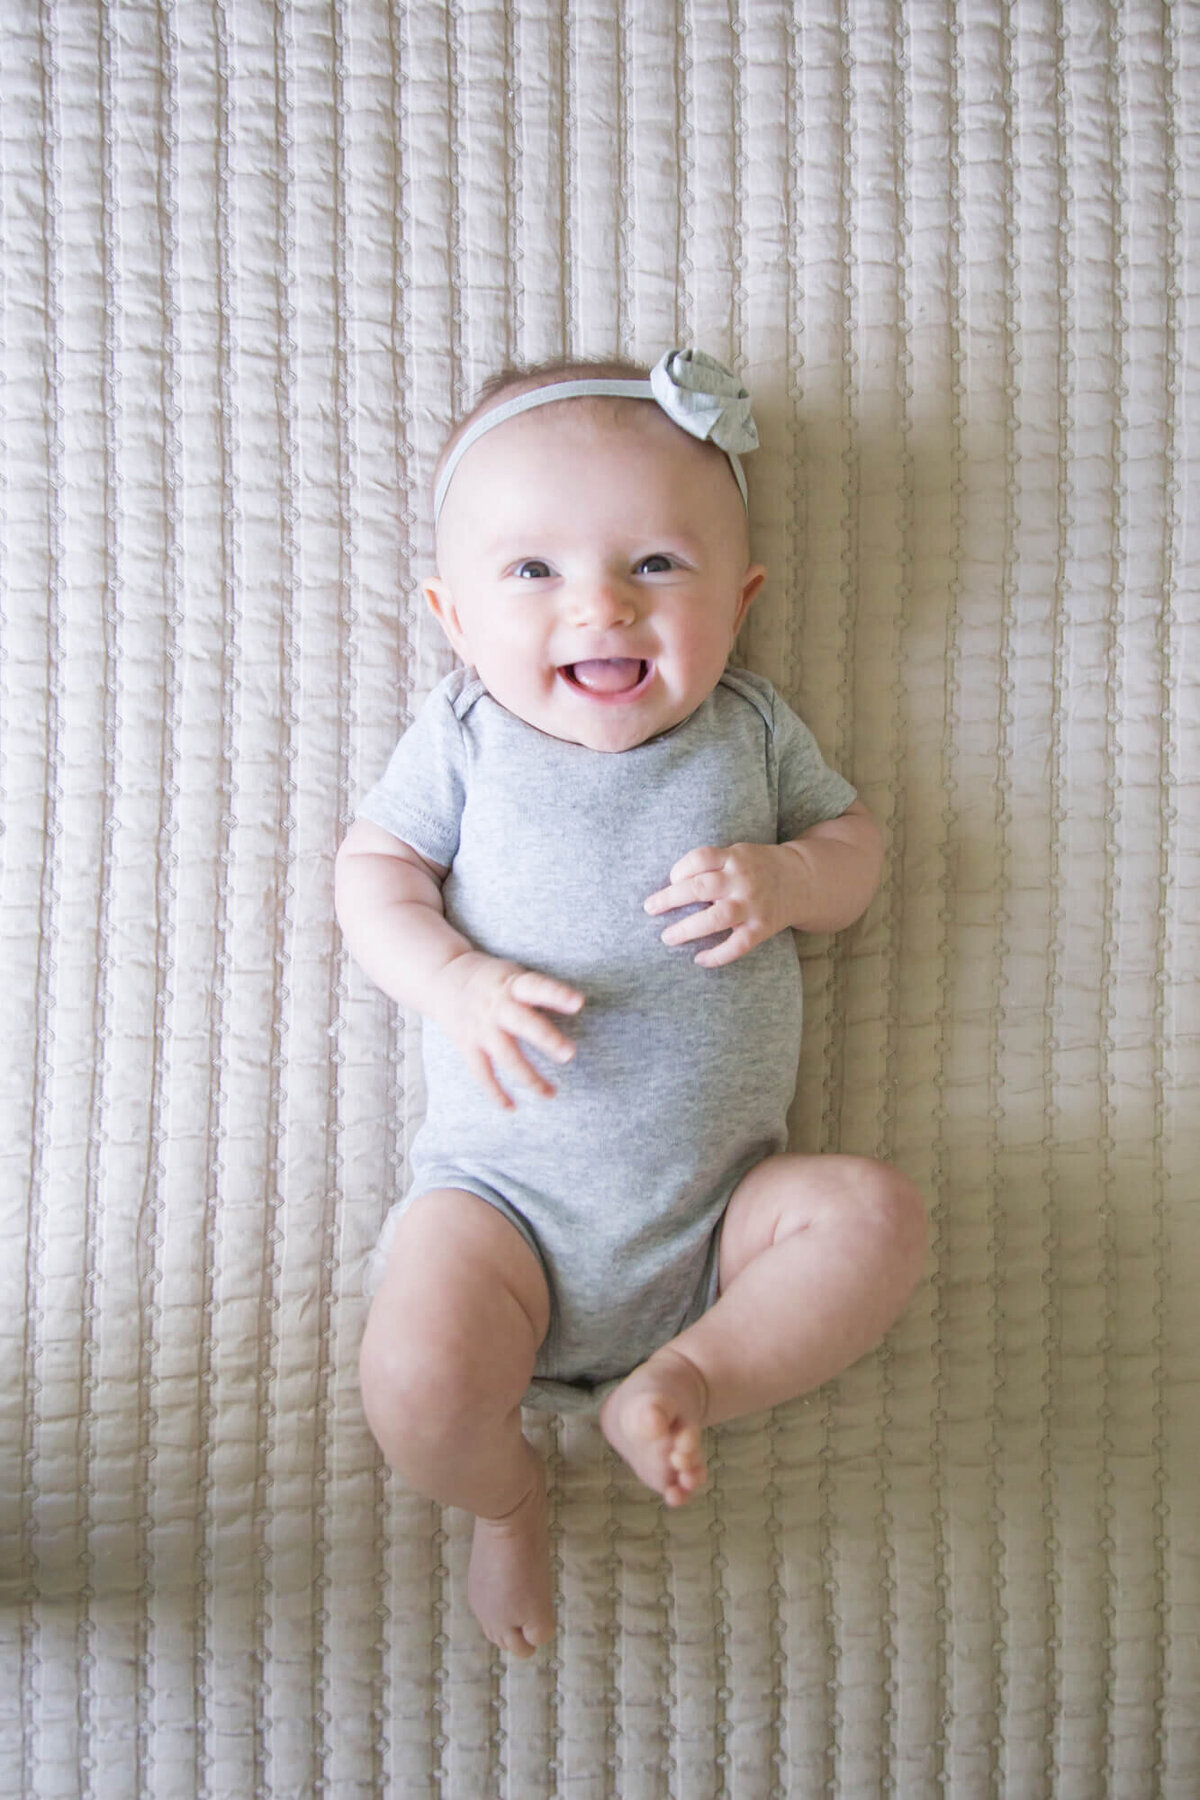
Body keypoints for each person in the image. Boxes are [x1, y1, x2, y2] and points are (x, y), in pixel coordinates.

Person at [335, 349, 927, 1658]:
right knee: (416, 1384)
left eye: (656, 566)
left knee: (874, 1216)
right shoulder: (465, 739)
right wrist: (453, 976)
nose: (599, 605)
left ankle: (687, 1377)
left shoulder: (755, 735)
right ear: (451, 613)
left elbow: (857, 855)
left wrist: (787, 879)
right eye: (532, 571)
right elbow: (370, 874)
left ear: (743, 597)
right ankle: (504, 1503)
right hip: (501, 1215)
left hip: (725, 1226)